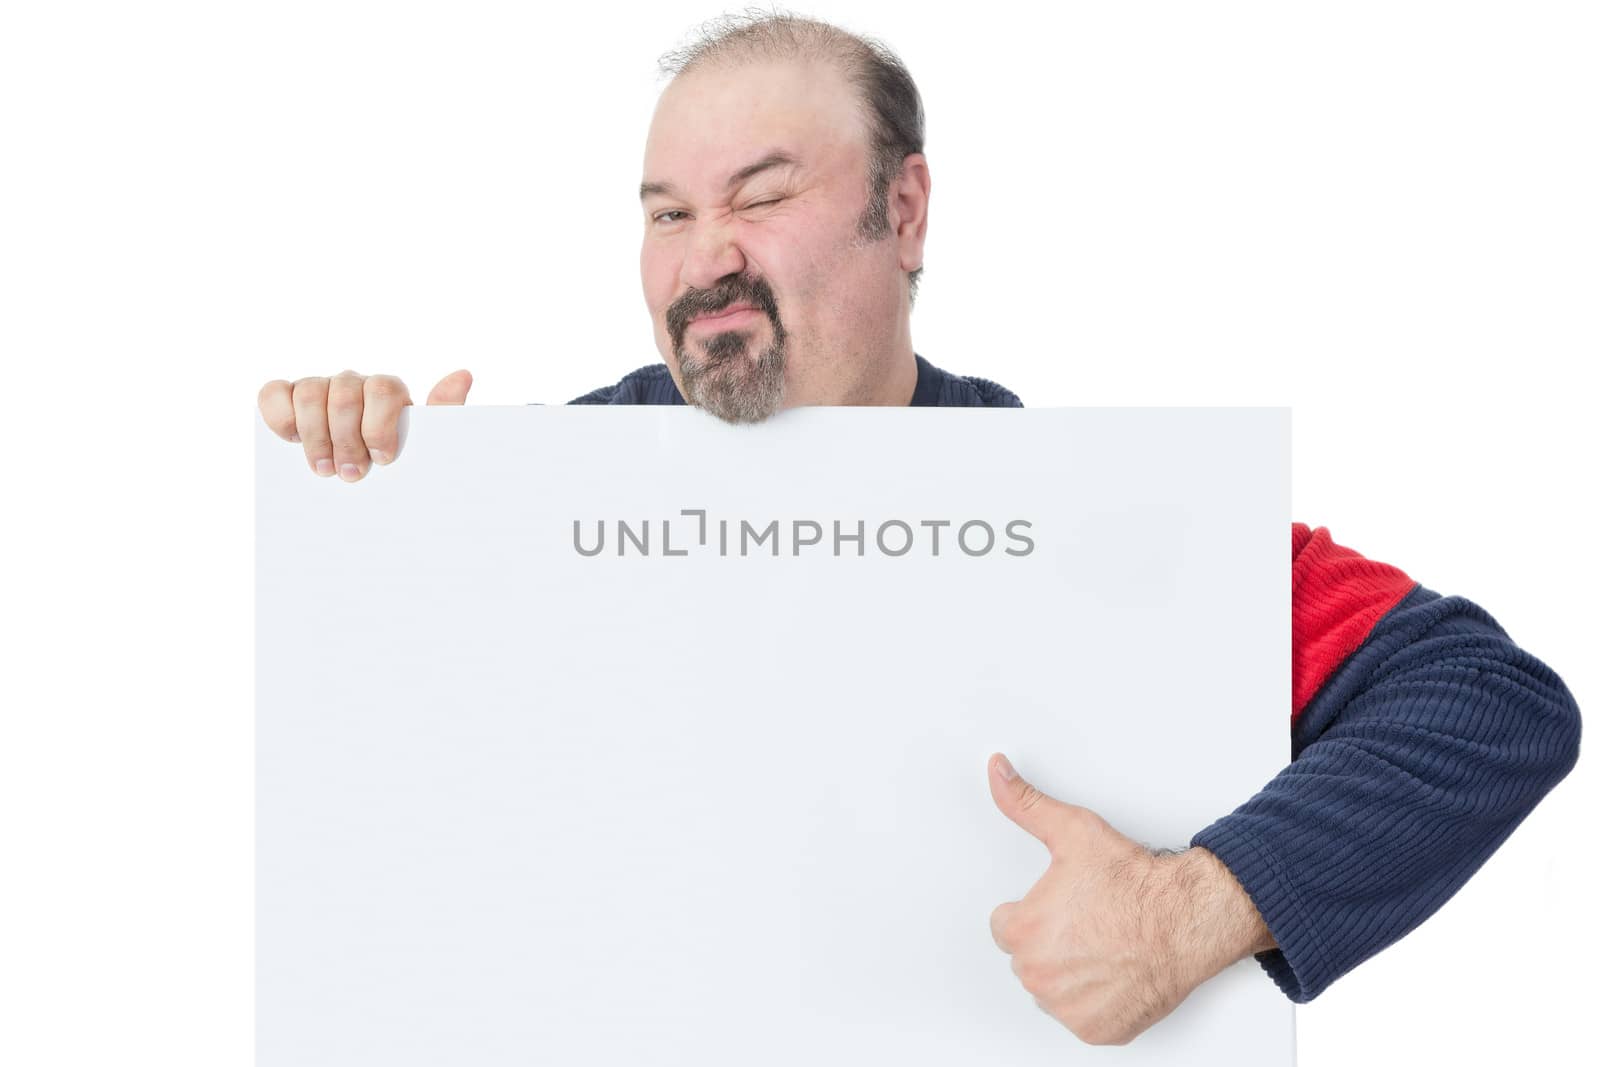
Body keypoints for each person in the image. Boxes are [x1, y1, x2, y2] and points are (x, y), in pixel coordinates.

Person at [254, 11, 1582, 1048]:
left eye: (759, 197)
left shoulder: (1102, 523)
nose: (702, 254)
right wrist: (380, 515)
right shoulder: (528, 496)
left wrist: (1198, 907)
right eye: (666, 213)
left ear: (903, 212)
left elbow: (1485, 701)